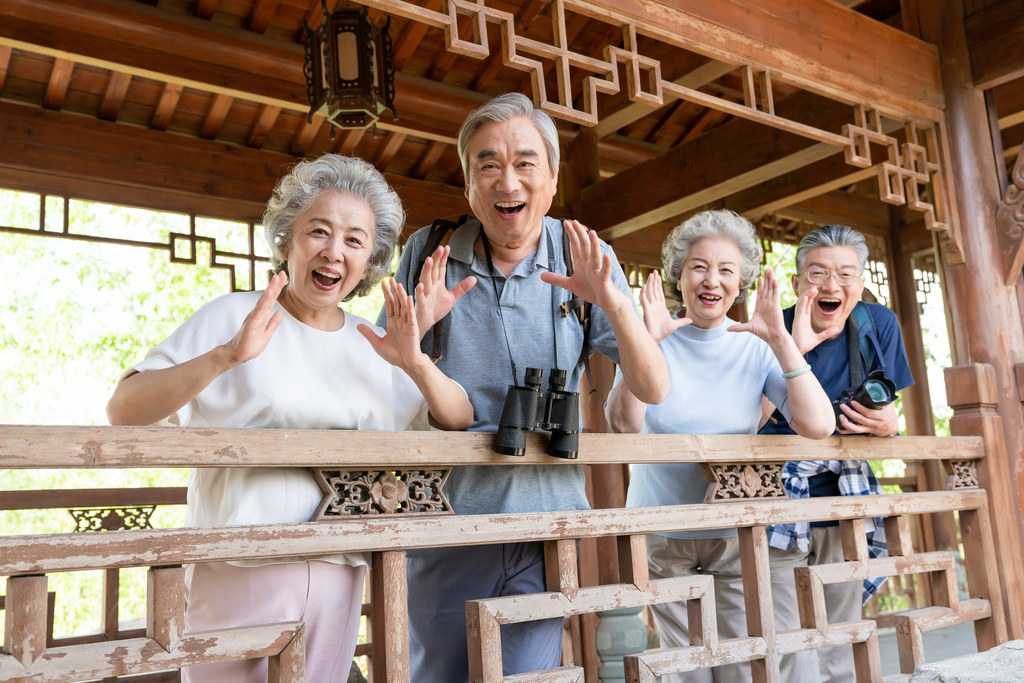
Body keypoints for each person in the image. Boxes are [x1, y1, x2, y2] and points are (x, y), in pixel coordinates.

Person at [105, 154, 473, 683]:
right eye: (317, 232)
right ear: (286, 240)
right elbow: (123, 411)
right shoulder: (235, 315)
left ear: (370, 261)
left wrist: (415, 360)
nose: (333, 251)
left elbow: (457, 421)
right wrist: (226, 356)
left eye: (354, 240)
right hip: (238, 563)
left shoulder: (374, 345)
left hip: (337, 568)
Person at [380, 92, 669, 681]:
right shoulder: (430, 252)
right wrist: (420, 332)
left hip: (549, 521)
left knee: (528, 677)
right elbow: (387, 379)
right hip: (447, 518)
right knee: (439, 673)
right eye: (488, 164)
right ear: (468, 185)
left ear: (553, 178)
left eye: (524, 163)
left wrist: (612, 300)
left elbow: (654, 386)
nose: (506, 180)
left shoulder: (585, 253)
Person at [605, 209, 835, 683]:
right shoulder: (650, 337)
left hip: (732, 528)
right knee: (685, 667)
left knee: (736, 661)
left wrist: (780, 339)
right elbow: (623, 426)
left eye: (726, 270)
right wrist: (646, 339)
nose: (712, 280)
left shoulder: (755, 346)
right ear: (680, 276)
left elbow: (817, 424)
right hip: (662, 528)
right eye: (699, 266)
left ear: (742, 282)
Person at [760, 224, 914, 683]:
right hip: (774, 499)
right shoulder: (770, 328)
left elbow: (890, 409)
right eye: (818, 274)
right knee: (786, 641)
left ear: (861, 282)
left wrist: (890, 424)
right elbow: (744, 418)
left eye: (846, 274)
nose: (832, 286)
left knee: (843, 637)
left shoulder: (877, 324)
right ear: (796, 282)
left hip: (845, 499)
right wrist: (793, 350)